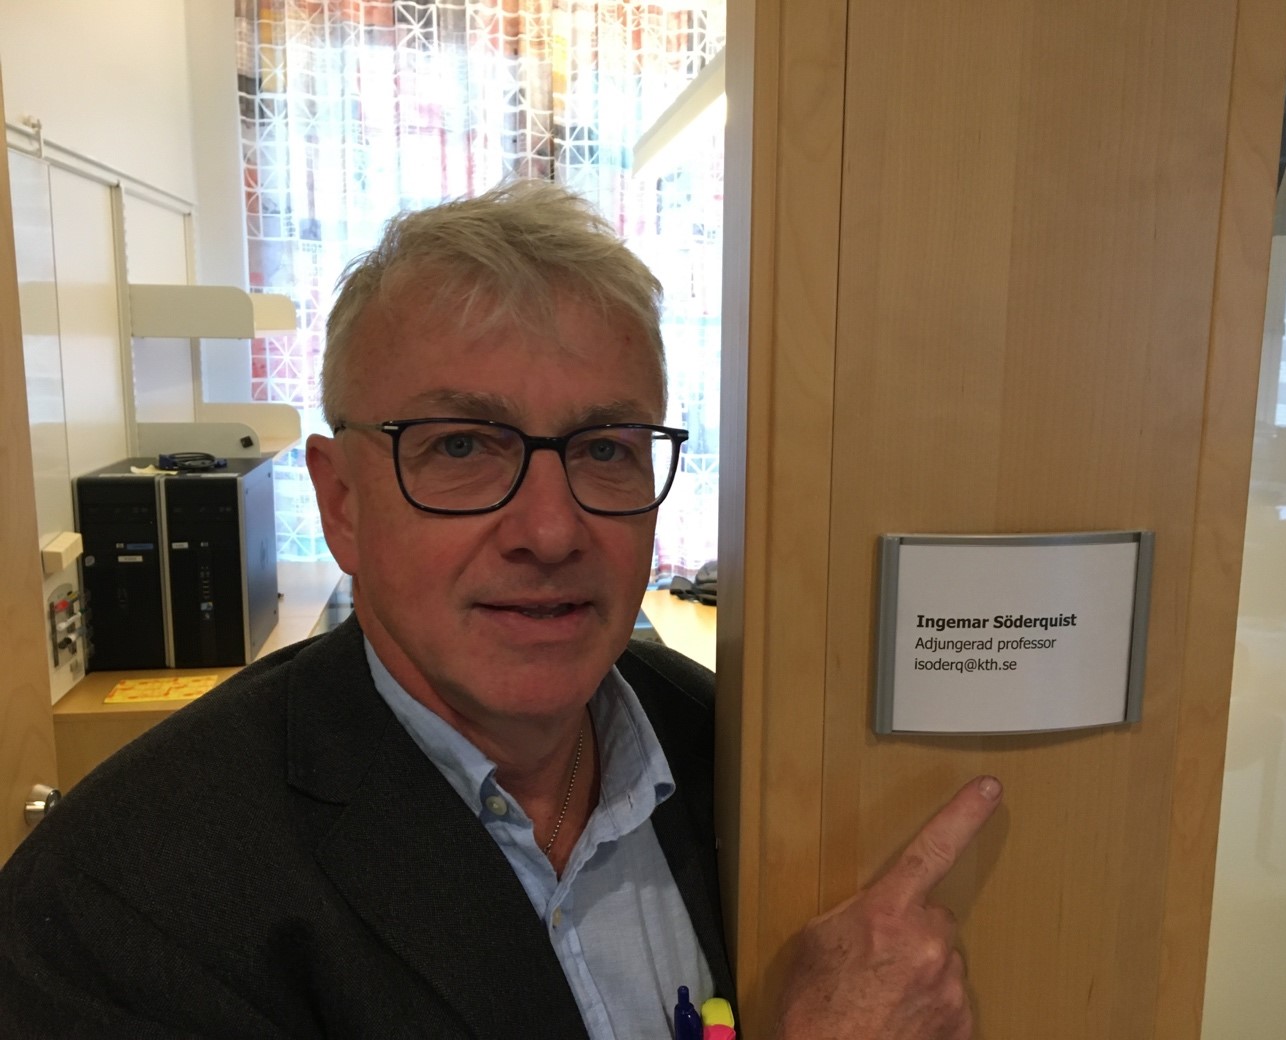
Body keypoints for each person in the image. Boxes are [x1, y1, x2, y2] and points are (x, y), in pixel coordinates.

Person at [0, 180, 1001, 1039]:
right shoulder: (117, 907)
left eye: (605, 448)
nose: (552, 530)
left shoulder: (729, 753)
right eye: (462, 446)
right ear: (342, 502)